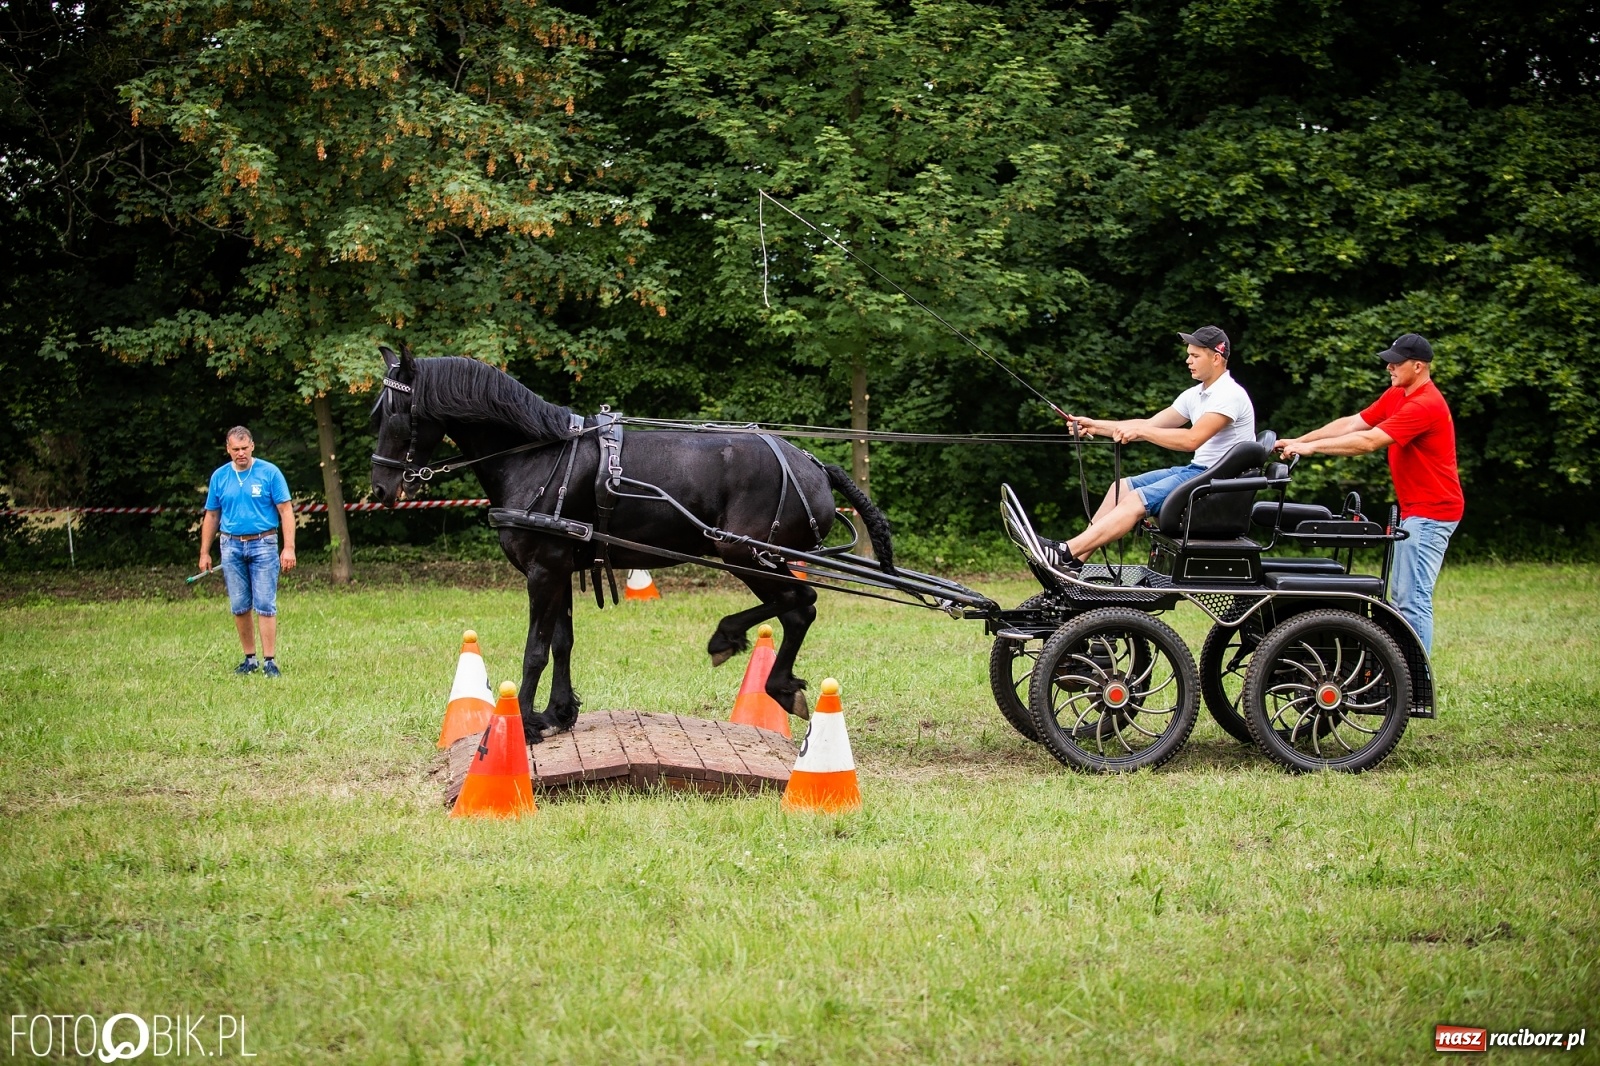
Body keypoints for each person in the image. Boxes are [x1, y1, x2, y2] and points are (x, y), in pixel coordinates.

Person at [1276, 333, 1463, 652]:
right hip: (1417, 510)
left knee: (1412, 599)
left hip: (1432, 513)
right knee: (1403, 598)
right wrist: (1299, 440)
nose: (1389, 366)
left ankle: (1417, 687)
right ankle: (1407, 681)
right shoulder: (1398, 395)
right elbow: (1353, 424)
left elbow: (1368, 442)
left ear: (1418, 366)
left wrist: (1312, 449)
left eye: (1396, 362)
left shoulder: (1425, 404)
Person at [1042, 325, 1256, 570]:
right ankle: (1074, 561)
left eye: (1195, 355)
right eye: (1188, 354)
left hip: (1218, 483)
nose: (1188, 361)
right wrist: (1095, 426)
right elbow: (1150, 424)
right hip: (1199, 471)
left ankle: (1065, 552)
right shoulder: (1196, 395)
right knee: (1120, 488)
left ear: (1216, 358)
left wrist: (1143, 432)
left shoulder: (1229, 395)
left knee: (1135, 500)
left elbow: (1191, 440)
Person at [199, 427, 296, 676]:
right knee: (240, 604)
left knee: (265, 603)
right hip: (230, 545)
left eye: (244, 448)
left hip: (263, 544)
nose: (240, 453)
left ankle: (270, 661)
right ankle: (250, 659)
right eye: (235, 449)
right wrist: (204, 552)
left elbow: (286, 511)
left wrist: (288, 548)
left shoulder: (270, 473)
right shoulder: (219, 477)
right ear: (228, 449)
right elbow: (211, 514)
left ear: (252, 446)